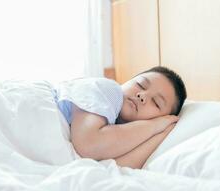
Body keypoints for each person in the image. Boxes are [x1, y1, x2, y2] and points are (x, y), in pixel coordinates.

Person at [53, 66, 187, 169]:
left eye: (156, 103)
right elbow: (89, 144)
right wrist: (153, 126)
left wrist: (162, 133)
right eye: (140, 84)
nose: (142, 95)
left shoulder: (114, 134)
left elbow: (111, 168)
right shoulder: (107, 89)